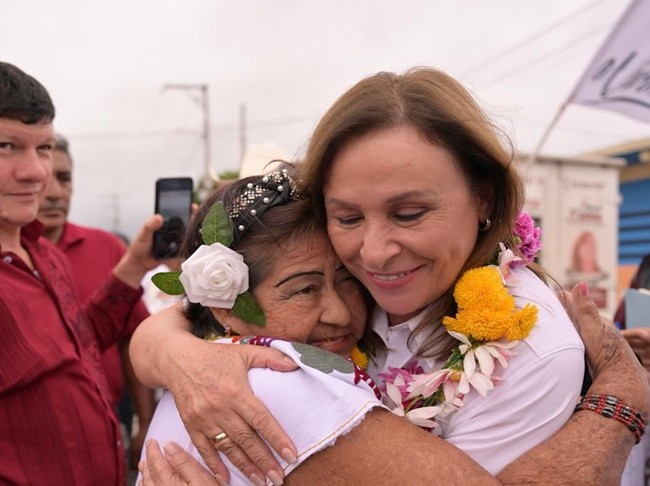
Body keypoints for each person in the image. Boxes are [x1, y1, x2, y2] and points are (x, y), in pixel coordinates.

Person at [130, 68, 650, 484]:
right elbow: (175, 325)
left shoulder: (527, 350)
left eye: (409, 214)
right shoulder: (353, 294)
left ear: (484, 197)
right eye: (347, 217)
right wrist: (182, 356)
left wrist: (621, 405)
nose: (375, 253)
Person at [138, 170, 387, 484]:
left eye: (348, 279)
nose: (340, 315)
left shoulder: (200, 363)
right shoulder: (279, 383)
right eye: (304, 290)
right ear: (223, 306)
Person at [0, 61, 163, 485]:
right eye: (6, 146)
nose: (36, 172)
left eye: (43, 147)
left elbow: (79, 343)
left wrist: (134, 265)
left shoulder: (42, 252)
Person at [36, 133, 155, 471]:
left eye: (64, 178)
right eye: (43, 179)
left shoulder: (108, 248)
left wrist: (146, 423)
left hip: (108, 420)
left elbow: (131, 336)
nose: (55, 193)